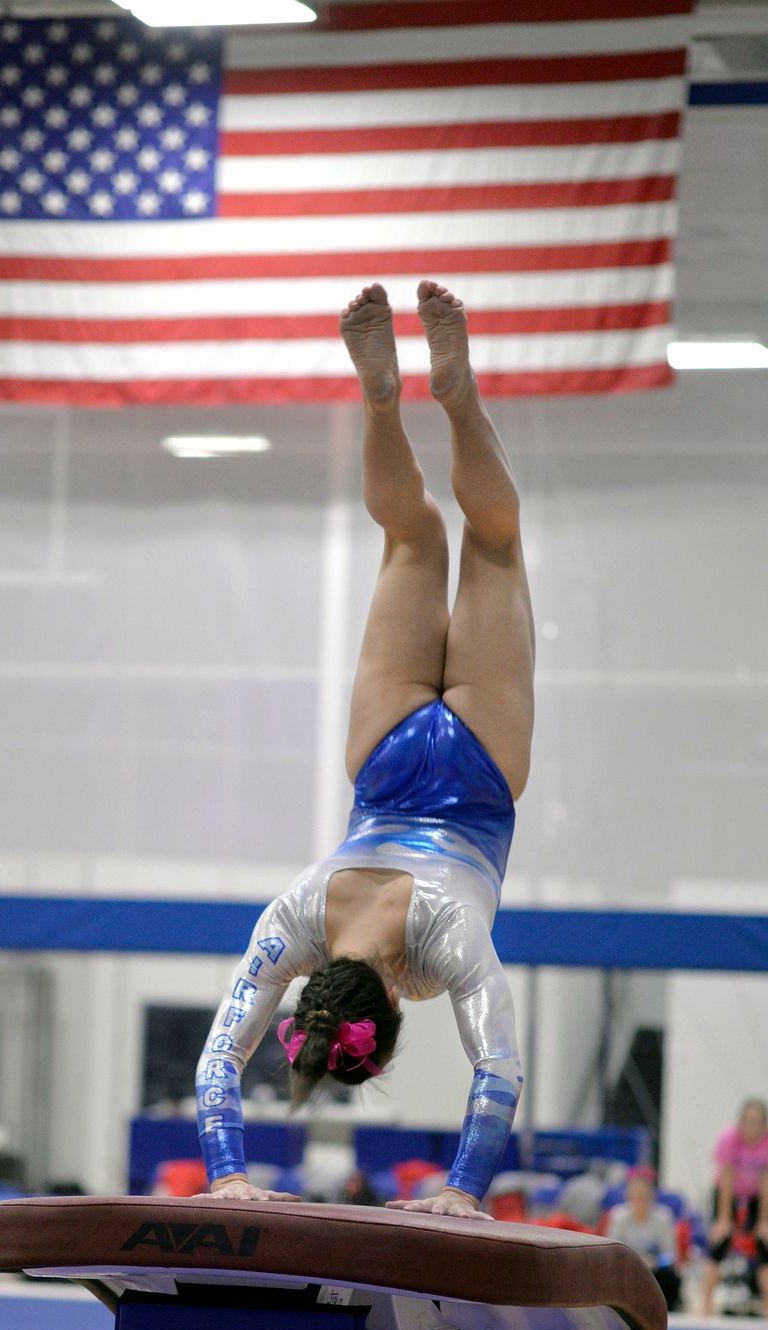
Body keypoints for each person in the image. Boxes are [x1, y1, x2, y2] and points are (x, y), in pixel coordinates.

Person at [194, 280, 534, 1220]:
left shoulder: (448, 941)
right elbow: (219, 1056)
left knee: (494, 543)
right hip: (382, 765)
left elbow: (498, 1064)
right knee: (412, 538)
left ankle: (458, 396)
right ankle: (383, 399)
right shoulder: (295, 917)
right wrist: (222, 1168)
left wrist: (466, 1190)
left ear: (391, 998)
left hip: (479, 775)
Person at [701, 1098, 768, 1315]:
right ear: (740, 1122)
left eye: (757, 1122)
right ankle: (706, 1304)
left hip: (756, 1195)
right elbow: (727, 1178)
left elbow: (765, 1182)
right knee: (719, 1243)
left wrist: (763, 1221)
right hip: (726, 1192)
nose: (752, 1128)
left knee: (763, 1244)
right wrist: (723, 1219)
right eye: (748, 1121)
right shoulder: (729, 1139)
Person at [607, 1168, 681, 1310]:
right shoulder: (618, 1217)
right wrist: (634, 1261)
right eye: (636, 1195)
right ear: (629, 1196)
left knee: (671, 1278)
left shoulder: (663, 1218)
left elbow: (671, 1255)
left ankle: (666, 1310)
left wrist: (654, 1262)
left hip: (656, 1271)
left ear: (652, 1197)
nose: (640, 1200)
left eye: (644, 1196)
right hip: (627, 1269)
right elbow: (611, 1252)